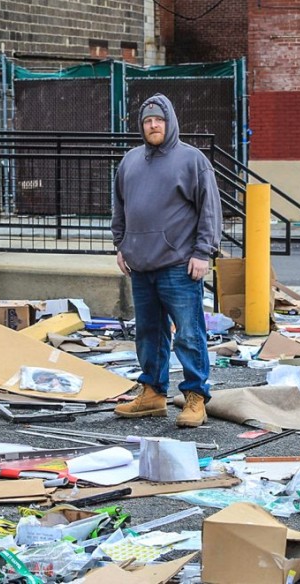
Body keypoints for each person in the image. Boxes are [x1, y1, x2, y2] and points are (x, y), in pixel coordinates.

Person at [111, 93, 223, 428]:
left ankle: (194, 398)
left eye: (158, 119)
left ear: (170, 121)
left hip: (179, 265)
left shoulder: (192, 160)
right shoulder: (130, 161)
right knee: (148, 332)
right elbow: (119, 206)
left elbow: (210, 209)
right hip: (140, 266)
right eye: (147, 121)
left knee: (188, 334)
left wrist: (203, 252)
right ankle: (152, 394)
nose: (153, 125)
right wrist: (120, 244)